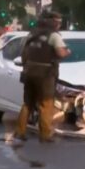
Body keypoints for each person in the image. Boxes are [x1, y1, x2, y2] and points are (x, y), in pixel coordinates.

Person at [15, 11, 71, 143]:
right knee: (46, 104)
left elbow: (23, 51)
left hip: (29, 72)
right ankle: (45, 135)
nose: (59, 24)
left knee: (27, 103)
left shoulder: (31, 34)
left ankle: (20, 131)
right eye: (58, 22)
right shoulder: (54, 36)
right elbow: (60, 53)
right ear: (54, 22)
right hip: (45, 75)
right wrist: (68, 51)